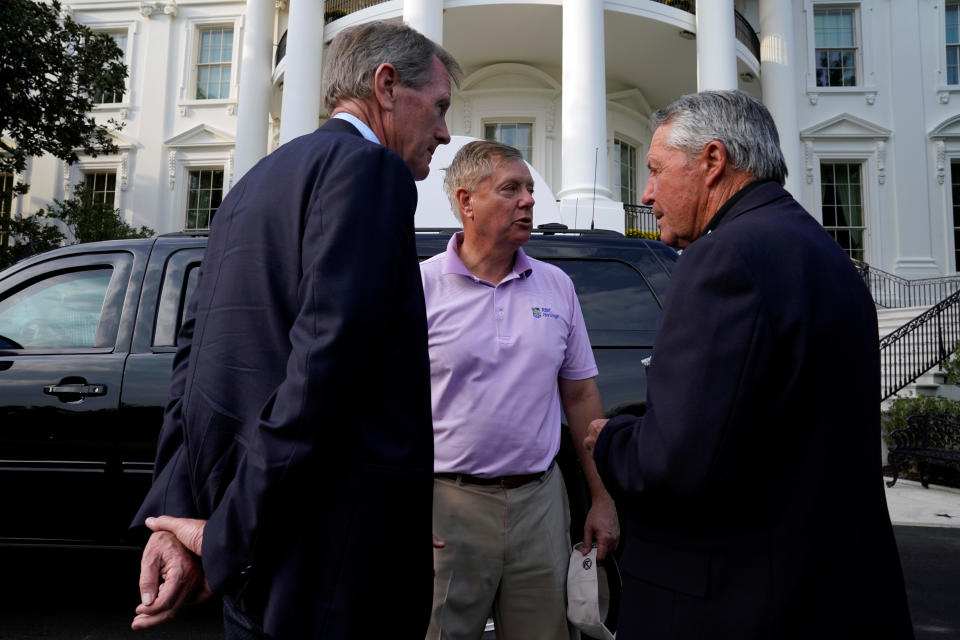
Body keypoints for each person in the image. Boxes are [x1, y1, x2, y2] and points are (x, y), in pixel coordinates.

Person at [129, 21, 462, 638]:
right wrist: (224, 536)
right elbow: (321, 373)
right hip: (329, 563)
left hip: (254, 561)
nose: (444, 132)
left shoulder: (251, 182)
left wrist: (176, 518)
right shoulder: (371, 171)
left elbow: (196, 361)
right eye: (439, 107)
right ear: (386, 86)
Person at [584, 90, 914, 639]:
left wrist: (612, 437)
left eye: (656, 170)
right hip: (822, 587)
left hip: (731, 599)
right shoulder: (823, 253)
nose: (646, 194)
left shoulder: (723, 258)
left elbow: (675, 462)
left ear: (713, 162)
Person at [422, 140, 619, 640]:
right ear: (466, 201)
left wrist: (601, 498)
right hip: (448, 505)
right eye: (510, 189)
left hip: (540, 503)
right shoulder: (419, 287)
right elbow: (382, 407)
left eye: (529, 188)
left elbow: (580, 399)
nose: (528, 200)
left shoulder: (556, 286)